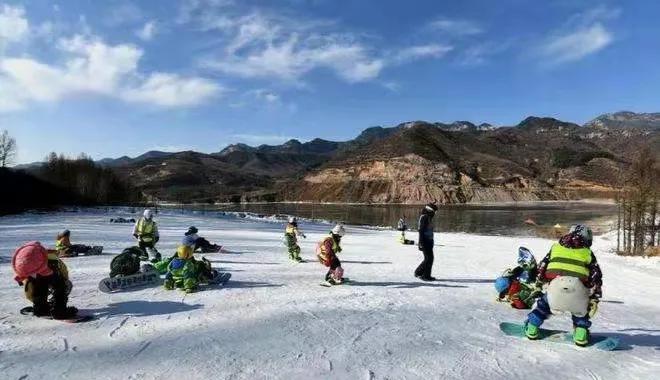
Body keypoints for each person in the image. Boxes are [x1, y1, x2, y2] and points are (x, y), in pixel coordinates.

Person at [523, 224, 603, 346]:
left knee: (542, 307)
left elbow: (542, 267)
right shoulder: (588, 253)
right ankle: (581, 334)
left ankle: (532, 328)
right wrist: (595, 297)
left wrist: (539, 283)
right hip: (578, 291)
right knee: (581, 312)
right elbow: (596, 276)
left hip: (555, 288)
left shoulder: (555, 248)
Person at [12, 241, 77, 319]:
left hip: (20, 266)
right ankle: (59, 312)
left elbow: (29, 289)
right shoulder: (53, 259)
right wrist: (62, 285)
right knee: (60, 286)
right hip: (43, 266)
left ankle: (40, 309)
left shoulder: (31, 251)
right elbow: (64, 277)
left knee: (39, 286)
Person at [415, 203, 438, 281]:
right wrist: (421, 242)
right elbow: (421, 231)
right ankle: (425, 275)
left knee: (428, 258)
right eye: (434, 211)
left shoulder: (427, 217)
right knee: (429, 258)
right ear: (430, 210)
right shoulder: (424, 217)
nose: (435, 213)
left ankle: (418, 272)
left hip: (428, 241)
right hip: (425, 241)